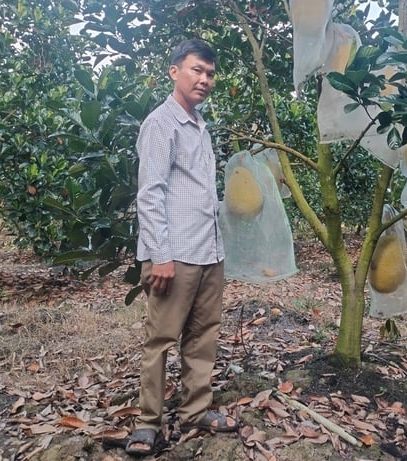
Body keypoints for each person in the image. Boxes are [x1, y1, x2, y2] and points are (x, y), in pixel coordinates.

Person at [126, 38, 238, 456]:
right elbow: (150, 194)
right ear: (174, 71)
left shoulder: (200, 126)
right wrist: (161, 255)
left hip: (208, 250)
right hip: (175, 255)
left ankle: (196, 411)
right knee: (161, 340)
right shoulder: (161, 124)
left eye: (209, 74)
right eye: (196, 70)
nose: (204, 80)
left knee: (203, 335)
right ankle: (148, 423)